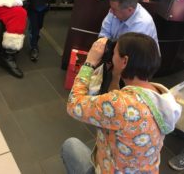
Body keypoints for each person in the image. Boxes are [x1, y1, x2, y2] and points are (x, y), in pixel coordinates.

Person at [61, 32, 182, 174]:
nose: (112, 56)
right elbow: (120, 99)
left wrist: (89, 63)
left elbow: (74, 105)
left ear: (124, 61)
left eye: (115, 53)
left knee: (70, 146)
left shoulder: (120, 105)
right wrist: (115, 77)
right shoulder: (161, 96)